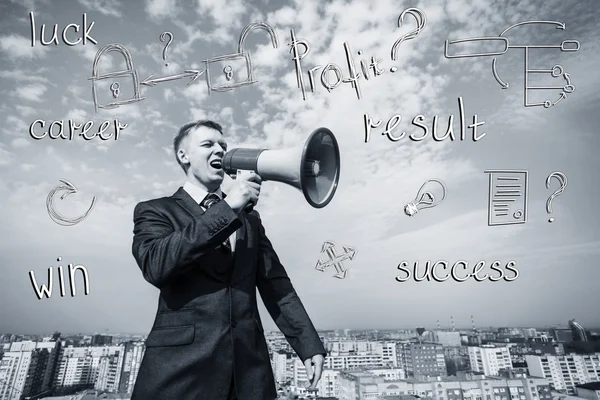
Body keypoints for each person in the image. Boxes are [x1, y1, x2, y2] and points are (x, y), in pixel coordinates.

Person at [130, 120, 326, 400]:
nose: (219, 150)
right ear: (183, 156)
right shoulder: (156, 211)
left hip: (249, 371)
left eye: (223, 145)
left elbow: (275, 284)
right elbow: (155, 264)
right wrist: (229, 207)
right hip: (180, 371)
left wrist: (308, 344)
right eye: (208, 144)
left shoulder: (250, 220)